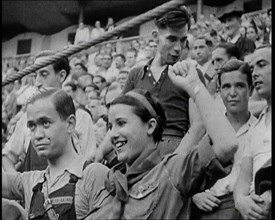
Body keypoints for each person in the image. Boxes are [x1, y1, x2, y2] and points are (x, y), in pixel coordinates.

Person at [86, 59, 238, 219]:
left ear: (150, 126)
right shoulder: (109, 186)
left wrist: (194, 86)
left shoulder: (172, 171)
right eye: (110, 126)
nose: (114, 134)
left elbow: (226, 145)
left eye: (121, 123)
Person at [2, 89, 111, 219]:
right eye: (32, 126)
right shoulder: (31, 182)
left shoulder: (93, 175)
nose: (38, 135)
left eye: (45, 123)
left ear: (70, 124)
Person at [123, 7, 205, 157]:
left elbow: (198, 126)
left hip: (173, 148)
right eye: (172, 39)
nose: (178, 48)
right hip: (138, 151)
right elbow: (121, 120)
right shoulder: (136, 74)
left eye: (183, 40)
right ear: (155, 37)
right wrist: (99, 153)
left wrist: (174, 163)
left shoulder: (191, 73)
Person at [2, 50, 96, 173]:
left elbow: (88, 164)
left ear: (61, 76)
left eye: (44, 74)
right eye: (35, 75)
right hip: (33, 190)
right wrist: (19, 184)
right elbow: (7, 157)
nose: (37, 83)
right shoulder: (26, 118)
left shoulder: (81, 117)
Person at [191, 59, 257, 219]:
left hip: (246, 209)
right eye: (226, 87)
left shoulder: (260, 128)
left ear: (250, 89)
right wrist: (195, 196)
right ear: (219, 92)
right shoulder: (209, 130)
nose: (232, 93)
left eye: (239, 86)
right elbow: (190, 175)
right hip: (211, 209)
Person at [234, 45, 272, 220]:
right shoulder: (254, 128)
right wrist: (241, 201)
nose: (255, 73)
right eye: (253, 68)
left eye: (262, 65)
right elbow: (242, 181)